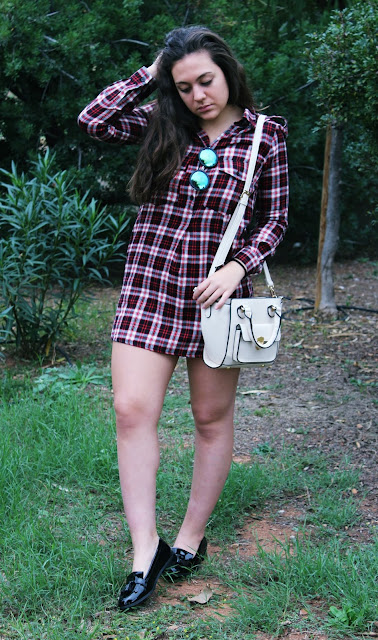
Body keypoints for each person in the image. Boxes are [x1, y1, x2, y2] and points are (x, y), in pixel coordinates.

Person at [78, 25, 289, 610]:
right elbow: (93, 121)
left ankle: (190, 540)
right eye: (185, 86)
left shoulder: (266, 136)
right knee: (131, 410)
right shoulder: (162, 122)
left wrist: (238, 266)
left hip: (217, 297)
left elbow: (275, 218)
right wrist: (151, 74)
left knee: (210, 417)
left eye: (206, 80)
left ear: (228, 72)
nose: (199, 95)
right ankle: (145, 550)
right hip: (149, 284)